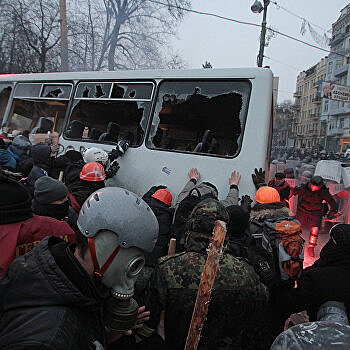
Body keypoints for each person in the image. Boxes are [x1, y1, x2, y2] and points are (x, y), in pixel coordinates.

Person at [0, 187, 159, 349]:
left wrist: (103, 335)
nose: (132, 276)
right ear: (106, 247)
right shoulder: (46, 338)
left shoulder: (75, 286)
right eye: (134, 263)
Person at [140, 198, 269, 349]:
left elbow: (149, 318)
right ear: (226, 231)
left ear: (192, 227)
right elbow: (260, 304)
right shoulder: (246, 272)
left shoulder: (168, 268)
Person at [0, 173, 76, 280]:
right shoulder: (56, 227)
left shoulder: (67, 219)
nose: (65, 203)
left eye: (65, 198)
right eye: (60, 199)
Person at [271, 224, 350, 325]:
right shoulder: (319, 274)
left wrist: (277, 283)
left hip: (320, 333)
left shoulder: (318, 278)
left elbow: (289, 303)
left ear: (332, 247)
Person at [291, 175, 338, 257]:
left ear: (320, 186)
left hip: (316, 212)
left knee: (314, 230)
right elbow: (293, 191)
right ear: (310, 183)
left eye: (316, 187)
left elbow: (332, 202)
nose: (314, 188)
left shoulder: (323, 192)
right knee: (298, 228)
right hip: (303, 210)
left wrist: (333, 211)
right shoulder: (304, 188)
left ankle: (311, 247)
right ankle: (296, 245)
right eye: (312, 186)